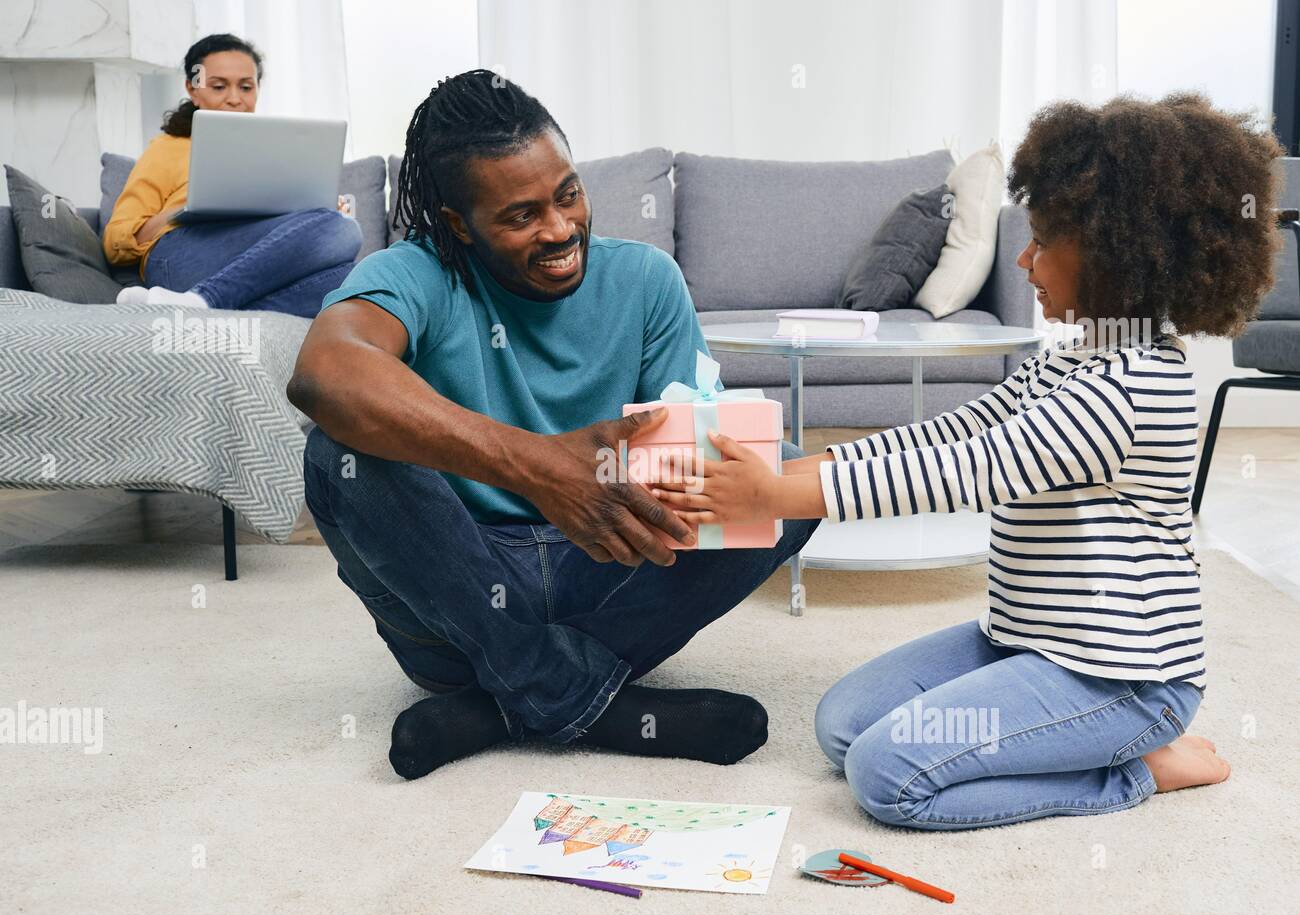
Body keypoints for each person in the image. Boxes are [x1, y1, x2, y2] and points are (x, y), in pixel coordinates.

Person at [651, 92, 1282, 830]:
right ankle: (1077, 745)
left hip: (1121, 679)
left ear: (1116, 253)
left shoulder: (1134, 384)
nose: (1023, 259)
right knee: (842, 724)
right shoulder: (1078, 357)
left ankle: (1136, 769)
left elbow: (971, 468)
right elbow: (947, 434)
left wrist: (779, 496)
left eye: (1042, 241)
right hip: (1022, 642)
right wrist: (778, 476)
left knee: (887, 777)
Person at [286, 70, 820, 779]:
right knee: (339, 453)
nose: (561, 228)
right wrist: (538, 466)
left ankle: (511, 699)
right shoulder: (417, 273)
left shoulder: (646, 280)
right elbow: (324, 372)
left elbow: (701, 449)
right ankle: (593, 703)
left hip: (605, 570)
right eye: (520, 216)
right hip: (453, 593)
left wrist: (670, 472)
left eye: (568, 194)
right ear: (458, 225)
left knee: (781, 474)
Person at [102, 33, 362, 317]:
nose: (235, 99)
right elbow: (116, 240)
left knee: (352, 270)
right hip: (182, 256)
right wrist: (187, 209)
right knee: (341, 229)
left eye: (246, 87)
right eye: (219, 87)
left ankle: (199, 304)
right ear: (193, 89)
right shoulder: (169, 147)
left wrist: (314, 210)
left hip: (253, 263)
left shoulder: (276, 150)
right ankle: (206, 298)